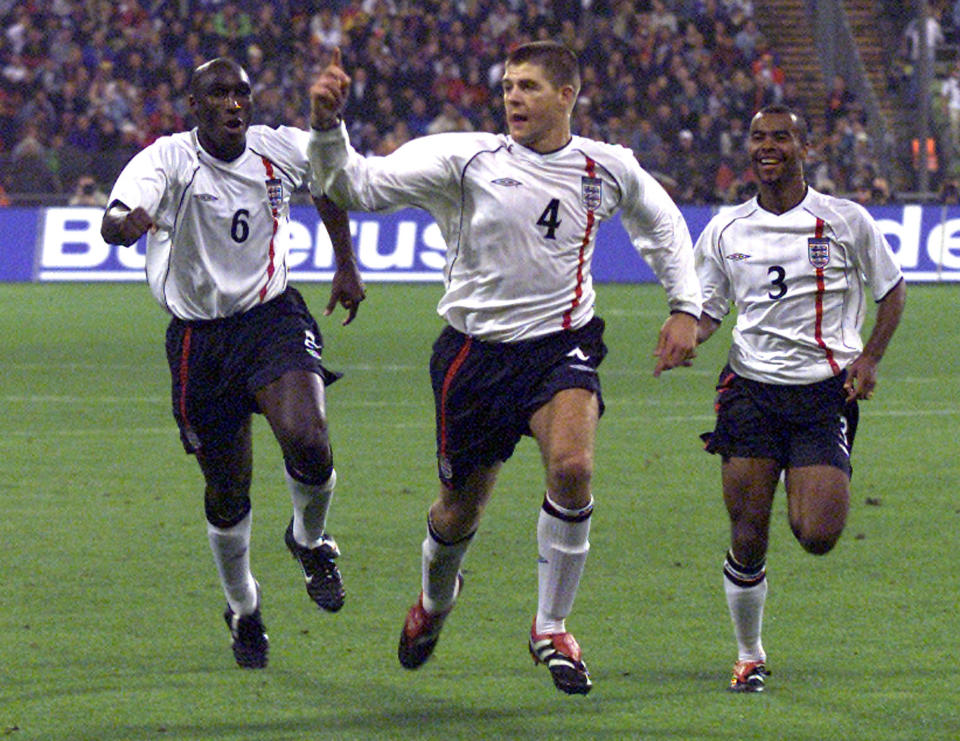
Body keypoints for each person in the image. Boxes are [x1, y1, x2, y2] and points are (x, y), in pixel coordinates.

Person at [307, 42, 701, 695]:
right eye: (509, 85)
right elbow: (354, 184)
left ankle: (551, 626)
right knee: (458, 512)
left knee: (572, 467)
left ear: (567, 95)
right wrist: (327, 128)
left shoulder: (604, 167)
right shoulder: (466, 160)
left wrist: (685, 305)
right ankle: (435, 602)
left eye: (529, 86)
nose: (513, 97)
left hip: (561, 345)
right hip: (474, 356)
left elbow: (661, 222)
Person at [100, 57, 366, 670]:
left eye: (242, 93)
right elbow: (116, 216)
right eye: (219, 94)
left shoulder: (279, 149)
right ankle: (244, 607)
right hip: (199, 340)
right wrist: (126, 225)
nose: (233, 103)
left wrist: (345, 261)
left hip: (272, 319)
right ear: (196, 105)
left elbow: (328, 181)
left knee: (308, 438)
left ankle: (309, 539)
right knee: (227, 491)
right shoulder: (166, 160)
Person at [693, 104, 906, 692]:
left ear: (802, 147)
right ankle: (749, 653)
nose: (768, 147)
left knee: (816, 535)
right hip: (750, 391)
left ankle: (801, 470)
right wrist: (688, 332)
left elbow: (891, 292)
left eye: (780, 137)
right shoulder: (725, 229)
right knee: (747, 533)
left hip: (822, 393)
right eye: (758, 137)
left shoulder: (844, 220)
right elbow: (709, 308)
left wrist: (870, 358)